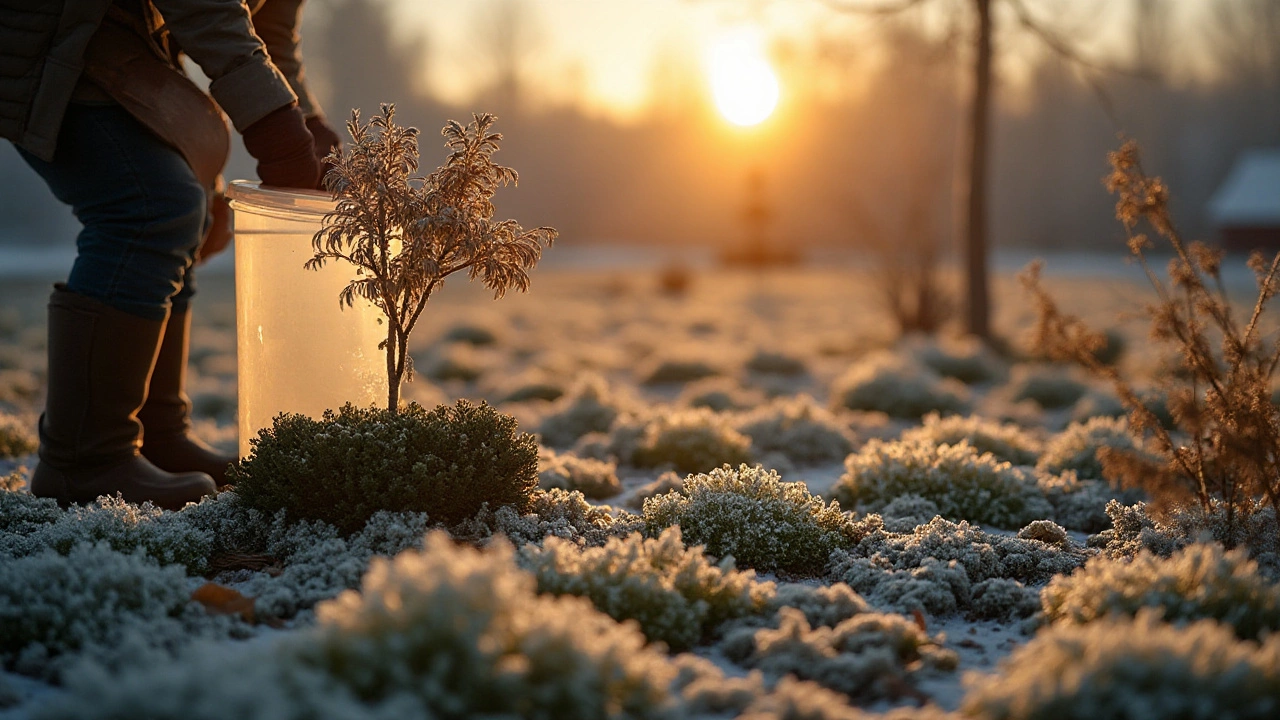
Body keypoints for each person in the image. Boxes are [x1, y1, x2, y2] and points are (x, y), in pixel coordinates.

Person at [2, 0, 342, 510]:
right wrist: (274, 127)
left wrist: (306, 119)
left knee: (188, 208)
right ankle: (84, 461)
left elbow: (266, 23)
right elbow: (207, 8)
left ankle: (154, 436)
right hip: (50, 38)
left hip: (118, 37)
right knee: (149, 207)